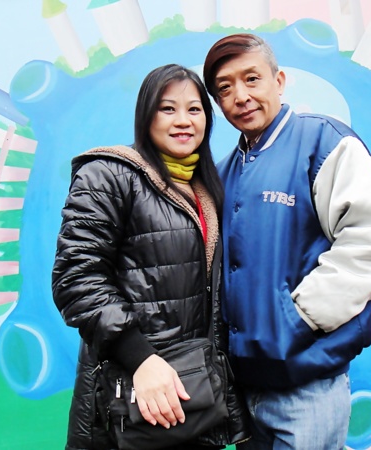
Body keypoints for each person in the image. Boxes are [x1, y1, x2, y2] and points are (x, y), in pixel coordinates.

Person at [202, 34, 371, 449]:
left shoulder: (325, 144)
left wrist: (295, 320)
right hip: (245, 389)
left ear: (279, 81)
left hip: (309, 386)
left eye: (251, 79)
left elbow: (368, 246)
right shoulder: (223, 173)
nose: (241, 96)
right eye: (225, 88)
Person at [52, 64, 249, 450]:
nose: (183, 121)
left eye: (194, 109)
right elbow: (77, 279)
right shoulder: (108, 175)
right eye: (167, 108)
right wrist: (141, 359)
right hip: (133, 398)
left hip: (192, 400)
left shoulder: (206, 190)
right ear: (146, 115)